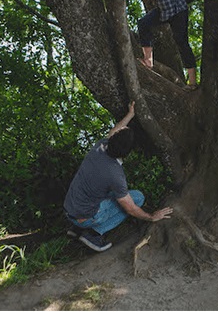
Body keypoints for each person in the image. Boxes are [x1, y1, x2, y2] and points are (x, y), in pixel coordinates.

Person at [64, 102, 173, 252]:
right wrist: (151, 217)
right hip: (85, 216)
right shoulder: (115, 175)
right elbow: (131, 209)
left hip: (70, 209)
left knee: (105, 192)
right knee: (137, 198)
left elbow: (114, 132)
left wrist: (130, 114)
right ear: (127, 153)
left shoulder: (100, 147)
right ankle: (93, 234)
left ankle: (76, 229)